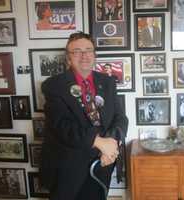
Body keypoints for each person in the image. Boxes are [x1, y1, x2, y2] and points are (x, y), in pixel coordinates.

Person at [39, 31, 128, 200]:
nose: (84, 55)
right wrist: (100, 142)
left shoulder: (108, 82)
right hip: (68, 169)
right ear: (68, 58)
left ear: (94, 55)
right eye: (77, 51)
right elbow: (62, 126)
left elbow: (120, 118)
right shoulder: (53, 85)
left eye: (88, 50)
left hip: (103, 163)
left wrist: (111, 144)